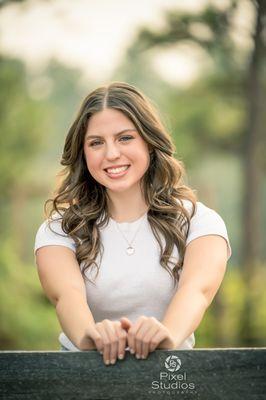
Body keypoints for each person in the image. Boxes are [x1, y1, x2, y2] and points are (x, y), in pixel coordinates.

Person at [34, 81, 232, 366]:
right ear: (83, 152)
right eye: (96, 142)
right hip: (82, 379)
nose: (111, 154)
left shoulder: (200, 222)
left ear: (150, 143)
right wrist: (91, 336)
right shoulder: (58, 230)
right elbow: (67, 297)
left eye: (125, 138)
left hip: (171, 378)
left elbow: (197, 291)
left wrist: (166, 335)